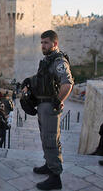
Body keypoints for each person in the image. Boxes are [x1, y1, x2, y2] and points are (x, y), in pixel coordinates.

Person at [23, 30, 73, 190]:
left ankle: (55, 177)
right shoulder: (47, 61)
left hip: (50, 106)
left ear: (55, 44)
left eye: (46, 43)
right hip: (42, 104)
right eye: (42, 42)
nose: (43, 45)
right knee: (46, 138)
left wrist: (57, 102)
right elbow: (43, 78)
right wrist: (29, 81)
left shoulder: (59, 61)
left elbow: (67, 84)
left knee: (51, 140)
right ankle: (49, 165)